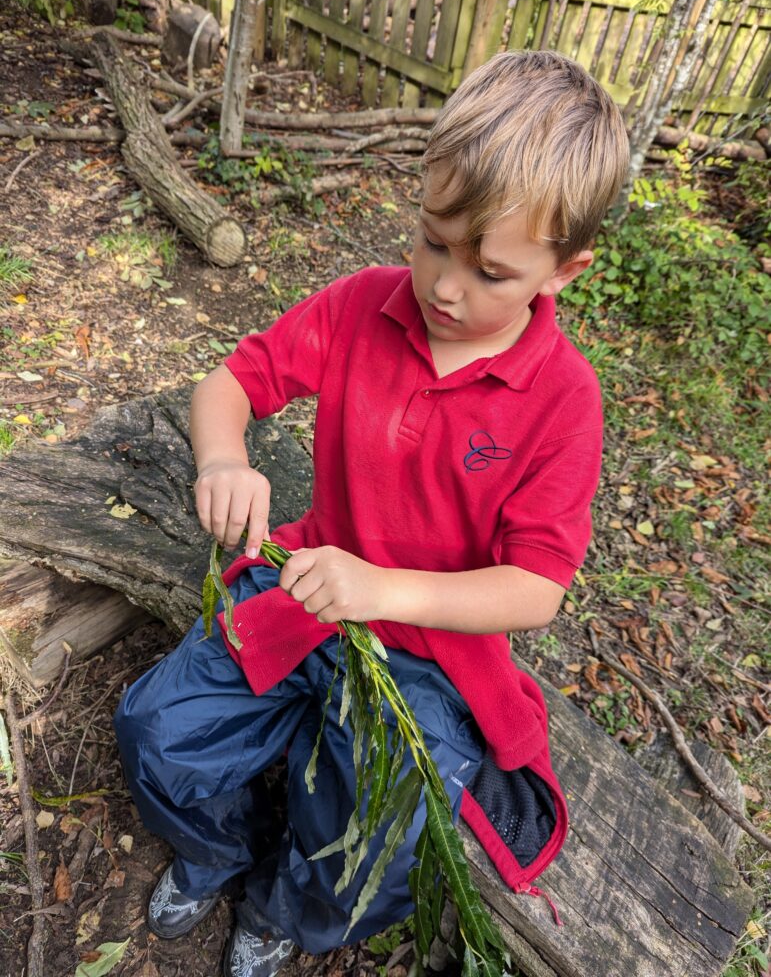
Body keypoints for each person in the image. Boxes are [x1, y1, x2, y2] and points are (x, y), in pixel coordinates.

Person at [114, 50, 629, 977]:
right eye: (432, 238)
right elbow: (229, 384)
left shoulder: (562, 400)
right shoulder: (361, 308)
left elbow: (536, 588)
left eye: (490, 271)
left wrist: (381, 587)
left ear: (565, 271)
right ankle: (214, 853)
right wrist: (224, 457)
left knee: (381, 819)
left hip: (430, 651)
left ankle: (282, 910)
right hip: (306, 586)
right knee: (157, 730)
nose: (442, 285)